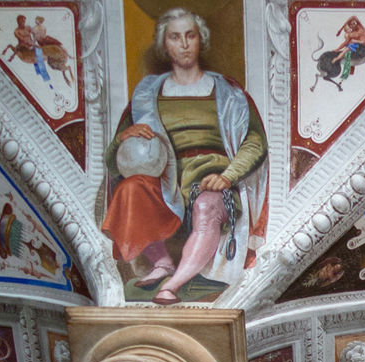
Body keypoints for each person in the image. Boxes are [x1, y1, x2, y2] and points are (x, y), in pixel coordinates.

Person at [101, 8, 268, 305]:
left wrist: (227, 175)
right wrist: (122, 139)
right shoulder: (147, 94)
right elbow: (115, 162)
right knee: (129, 190)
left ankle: (173, 285)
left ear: (200, 40)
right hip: (164, 180)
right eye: (175, 37)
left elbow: (255, 141)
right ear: (164, 45)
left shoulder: (228, 92)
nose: (184, 43)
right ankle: (162, 262)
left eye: (190, 35)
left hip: (212, 178)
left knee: (206, 206)